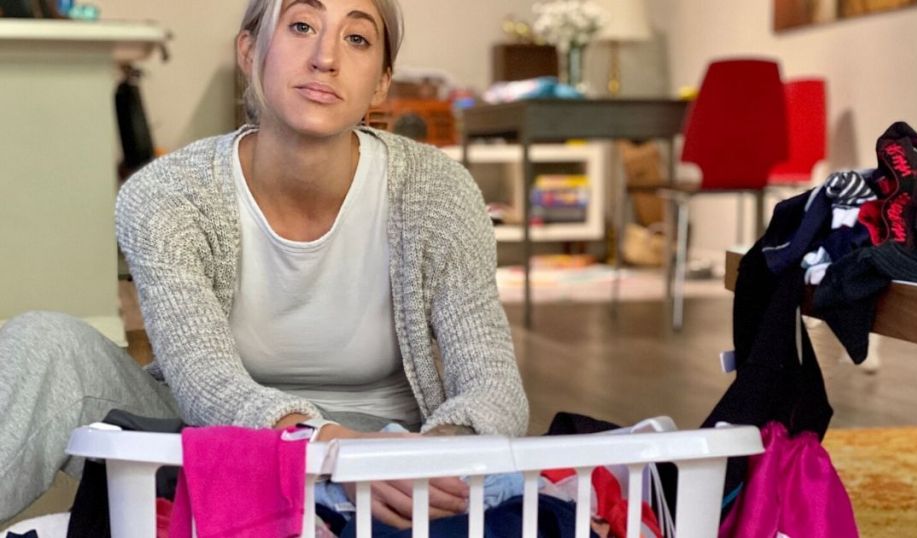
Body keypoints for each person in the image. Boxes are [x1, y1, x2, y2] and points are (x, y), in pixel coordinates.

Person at [0, 0, 527, 528]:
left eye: (357, 39)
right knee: (45, 343)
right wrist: (320, 446)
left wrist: (432, 460)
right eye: (301, 26)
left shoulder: (436, 191)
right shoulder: (167, 195)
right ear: (250, 52)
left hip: (386, 451)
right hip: (217, 442)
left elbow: (492, 382)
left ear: (381, 83)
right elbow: (206, 384)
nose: (326, 58)